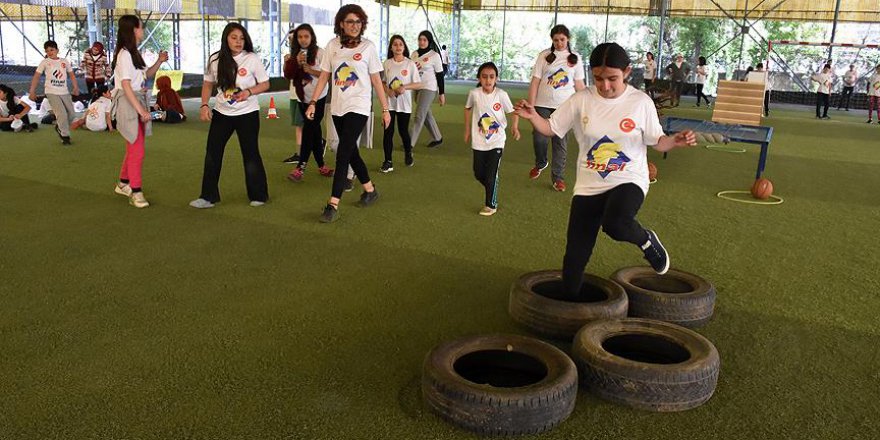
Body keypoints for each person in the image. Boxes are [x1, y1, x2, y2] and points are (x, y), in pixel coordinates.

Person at [514, 42, 697, 298]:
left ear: (627, 72)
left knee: (616, 223)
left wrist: (674, 142)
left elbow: (657, 140)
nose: (606, 86)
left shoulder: (640, 102)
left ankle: (646, 240)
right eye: (599, 79)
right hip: (589, 185)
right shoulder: (581, 99)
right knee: (575, 257)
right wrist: (533, 115)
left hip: (629, 179)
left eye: (612, 78)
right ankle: (569, 305)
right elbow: (551, 128)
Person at [304, 3, 391, 223]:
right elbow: (324, 76)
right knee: (351, 151)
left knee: (343, 153)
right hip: (338, 106)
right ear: (341, 24)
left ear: (363, 24)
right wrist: (313, 101)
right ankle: (370, 190)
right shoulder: (332, 46)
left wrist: (385, 108)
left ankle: (332, 204)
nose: (354, 26)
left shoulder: (368, 47)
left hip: (359, 106)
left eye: (358, 22)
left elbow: (376, 80)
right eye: (350, 21)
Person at [189, 22, 270, 209]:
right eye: (234, 38)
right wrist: (203, 105)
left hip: (247, 113)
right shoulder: (215, 59)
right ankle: (208, 197)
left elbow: (265, 84)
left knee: (251, 154)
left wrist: (248, 92)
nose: (238, 41)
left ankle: (259, 195)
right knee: (212, 153)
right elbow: (208, 84)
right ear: (226, 38)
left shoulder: (252, 59)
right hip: (222, 113)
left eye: (241, 38)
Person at [110, 15, 168, 208]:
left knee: (134, 145)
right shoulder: (124, 54)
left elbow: (145, 75)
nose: (142, 30)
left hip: (137, 99)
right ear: (133, 30)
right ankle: (136, 191)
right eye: (141, 27)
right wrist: (141, 110)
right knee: (137, 149)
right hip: (129, 102)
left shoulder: (134, 53)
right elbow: (126, 86)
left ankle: (123, 183)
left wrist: (159, 61)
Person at [526, 24, 586, 192]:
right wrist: (531, 106)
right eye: (556, 40)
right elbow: (535, 81)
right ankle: (541, 162)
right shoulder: (544, 56)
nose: (559, 43)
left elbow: (580, 84)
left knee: (560, 143)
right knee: (539, 138)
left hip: (565, 107)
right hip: (542, 104)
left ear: (568, 39)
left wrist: (587, 105)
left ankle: (558, 178)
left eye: (562, 39)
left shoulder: (575, 59)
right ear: (552, 40)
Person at [465, 62, 519, 216]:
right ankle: (491, 185)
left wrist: (514, 127)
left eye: (491, 77)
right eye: (484, 77)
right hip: (479, 141)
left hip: (497, 141)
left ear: (496, 78)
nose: (488, 80)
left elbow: (513, 111)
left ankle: (491, 204)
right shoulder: (474, 94)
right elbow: (467, 109)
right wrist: (467, 129)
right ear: (479, 78)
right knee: (478, 173)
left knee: (490, 175)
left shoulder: (501, 95)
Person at [285, 24, 333, 182]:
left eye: (306, 36)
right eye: (300, 37)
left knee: (309, 129)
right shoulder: (295, 54)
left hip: (318, 97)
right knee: (314, 130)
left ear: (312, 37)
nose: (303, 40)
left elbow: (328, 74)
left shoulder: (320, 53)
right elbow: (289, 75)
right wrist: (294, 62)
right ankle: (321, 165)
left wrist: (310, 70)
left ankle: (300, 167)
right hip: (302, 98)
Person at [380, 35, 421, 172]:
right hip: (389, 104)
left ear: (404, 47)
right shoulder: (387, 63)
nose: (398, 47)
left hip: (404, 105)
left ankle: (408, 152)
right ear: (391, 47)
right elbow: (383, 82)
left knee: (403, 131)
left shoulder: (410, 64)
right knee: (388, 132)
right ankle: (388, 161)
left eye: (400, 44)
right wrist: (388, 90)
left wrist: (405, 88)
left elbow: (418, 84)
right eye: (395, 44)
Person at [29, 40, 80, 145]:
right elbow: (36, 76)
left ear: (57, 50)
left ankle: (60, 127)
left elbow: (72, 75)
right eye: (47, 51)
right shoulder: (45, 62)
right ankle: (65, 136)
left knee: (71, 114)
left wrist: (75, 87)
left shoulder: (64, 61)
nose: (50, 52)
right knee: (61, 114)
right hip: (51, 92)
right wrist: (32, 91)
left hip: (64, 92)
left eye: (52, 50)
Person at [410, 30, 445, 148]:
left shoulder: (434, 56)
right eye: (420, 39)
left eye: (424, 40)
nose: (421, 42)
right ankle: (437, 137)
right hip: (416, 87)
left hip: (429, 88)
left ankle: (409, 144)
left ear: (429, 41)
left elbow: (440, 75)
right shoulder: (414, 54)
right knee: (426, 114)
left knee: (419, 115)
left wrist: (442, 93)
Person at [281, 31, 303, 165]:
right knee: (298, 125)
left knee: (300, 125)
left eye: (293, 38)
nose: (291, 41)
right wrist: (286, 63)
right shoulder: (291, 56)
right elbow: (287, 75)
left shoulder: (305, 54)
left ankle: (300, 154)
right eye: (289, 39)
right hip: (293, 94)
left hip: (303, 95)